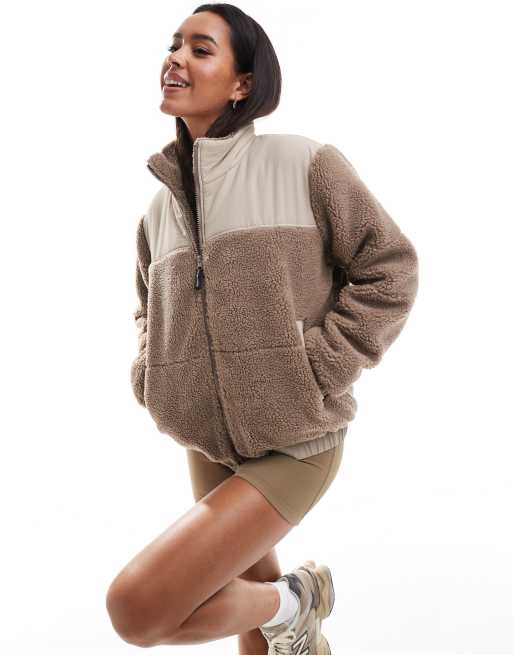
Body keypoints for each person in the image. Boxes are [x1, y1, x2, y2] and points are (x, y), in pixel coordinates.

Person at [105, 4, 419, 654]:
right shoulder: (159, 211)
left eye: (200, 49)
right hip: (207, 442)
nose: (176, 58)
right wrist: (153, 377)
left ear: (242, 83)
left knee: (138, 608)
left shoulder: (303, 164)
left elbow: (388, 268)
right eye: (174, 45)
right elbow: (147, 310)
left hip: (295, 440)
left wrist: (317, 367)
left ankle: (296, 599)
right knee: (256, 642)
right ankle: (290, 623)